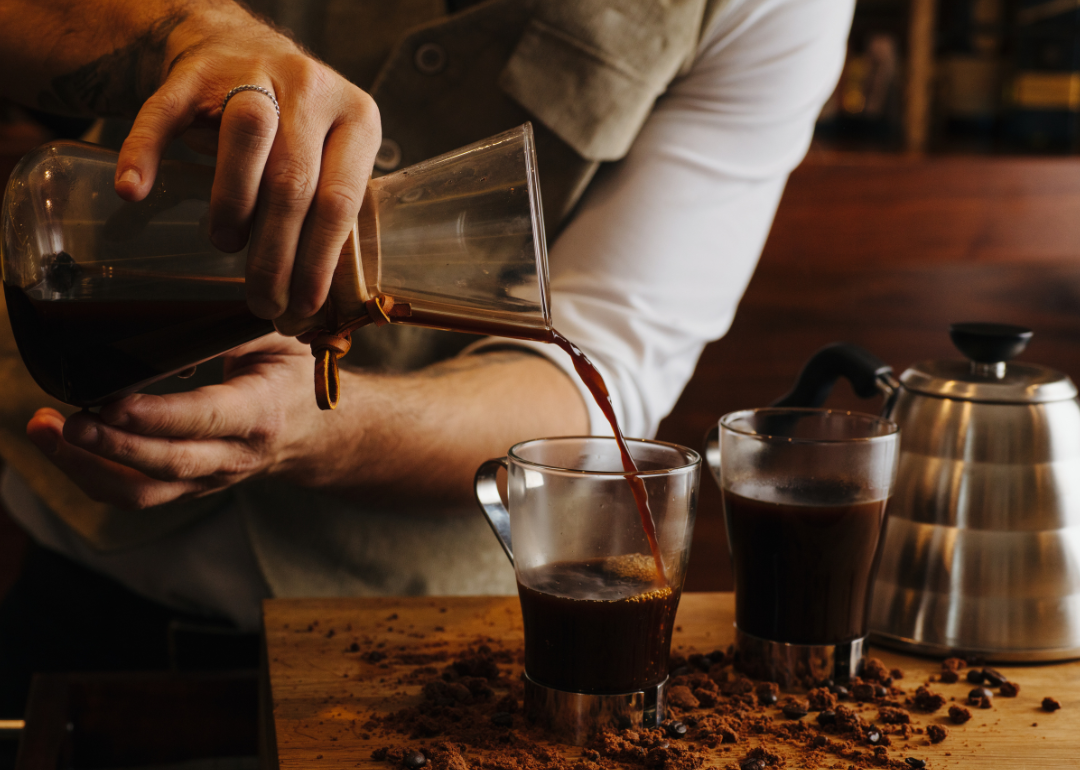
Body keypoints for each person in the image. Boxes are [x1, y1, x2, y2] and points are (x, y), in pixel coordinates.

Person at [0, 0, 854, 715]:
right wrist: (182, 30)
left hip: (426, 662)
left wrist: (312, 428)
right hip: (95, 605)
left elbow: (599, 374)